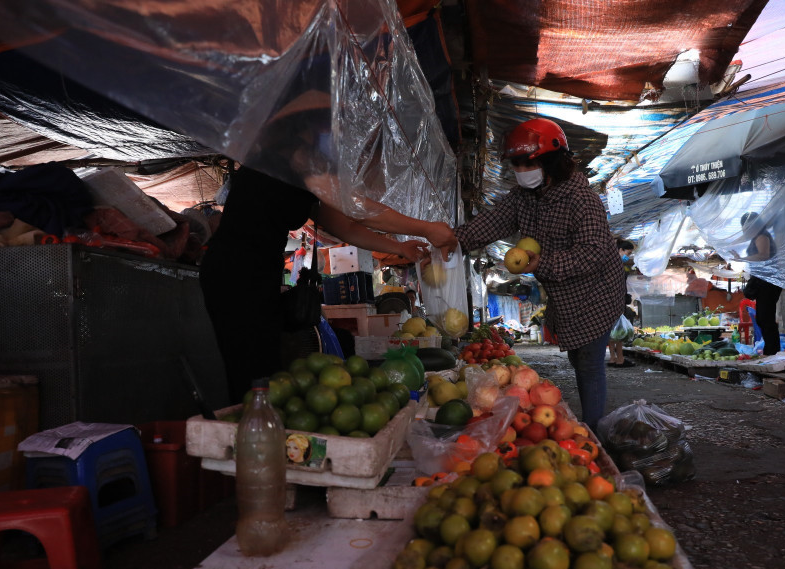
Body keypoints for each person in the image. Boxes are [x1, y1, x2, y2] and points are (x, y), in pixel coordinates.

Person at [200, 92, 456, 404]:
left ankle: (256, 420)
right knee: (250, 367)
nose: (339, 133)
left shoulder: (302, 168)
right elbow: (356, 207)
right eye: (334, 124)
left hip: (258, 273)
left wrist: (399, 247)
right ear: (308, 125)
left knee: (261, 363)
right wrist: (425, 228)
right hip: (234, 271)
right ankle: (248, 424)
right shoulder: (297, 158)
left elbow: (344, 225)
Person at [447, 118, 626, 426]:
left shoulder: (582, 200)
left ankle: (594, 431)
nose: (520, 170)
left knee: (588, 364)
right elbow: (493, 222)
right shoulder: (525, 197)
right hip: (566, 295)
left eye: (526, 163)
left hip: (598, 293)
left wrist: (541, 264)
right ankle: (591, 424)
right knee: (578, 357)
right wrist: (453, 241)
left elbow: (593, 253)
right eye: (516, 164)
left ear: (552, 161)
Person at [739, 211, 783, 356]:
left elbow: (763, 255)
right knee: (763, 318)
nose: (745, 231)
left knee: (765, 318)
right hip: (764, 281)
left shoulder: (762, 236)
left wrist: (743, 259)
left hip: (769, 282)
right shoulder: (756, 237)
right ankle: (771, 351)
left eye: (747, 228)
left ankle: (773, 352)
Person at [608, 239, 636, 367]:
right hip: (616, 303)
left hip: (610, 302)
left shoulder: (611, 263)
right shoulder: (617, 265)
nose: (628, 256)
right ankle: (620, 359)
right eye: (628, 253)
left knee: (612, 331)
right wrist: (624, 297)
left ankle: (613, 358)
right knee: (619, 331)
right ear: (620, 250)